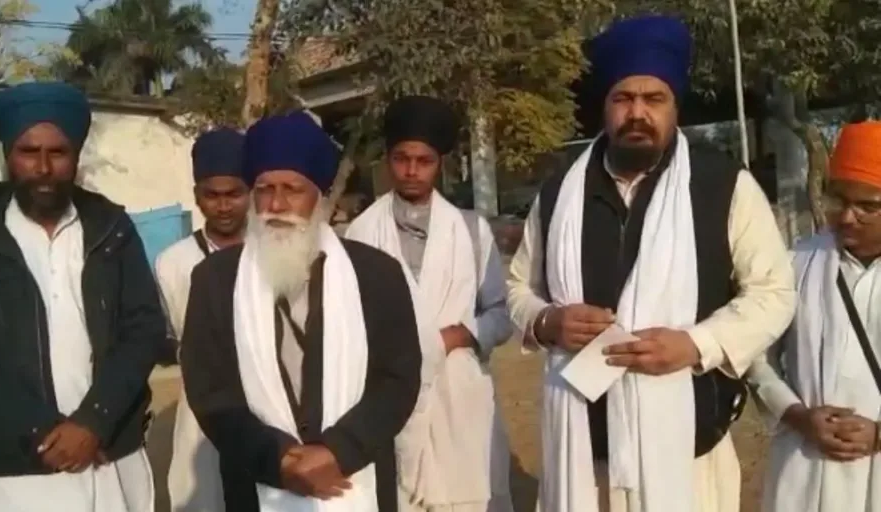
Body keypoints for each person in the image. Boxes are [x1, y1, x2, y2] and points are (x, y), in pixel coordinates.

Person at [505, 15, 797, 512]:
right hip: (583, 454)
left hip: (688, 457)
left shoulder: (723, 185)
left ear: (674, 105)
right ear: (605, 106)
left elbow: (773, 291)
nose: (637, 113)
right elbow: (518, 287)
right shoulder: (559, 194)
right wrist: (548, 320)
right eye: (623, 98)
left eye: (653, 99)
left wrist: (695, 344)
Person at [0, 82, 164, 511]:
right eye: (28, 151)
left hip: (109, 455)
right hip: (16, 469)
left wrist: (93, 422)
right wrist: (41, 431)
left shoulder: (112, 228)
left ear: (76, 155)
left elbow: (142, 329)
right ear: (8, 156)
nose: (42, 167)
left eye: (57, 152)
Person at [179, 111, 422, 511]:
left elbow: (397, 380)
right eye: (264, 189)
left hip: (353, 473)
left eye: (292, 189)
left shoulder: (376, 274)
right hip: (255, 480)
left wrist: (338, 451)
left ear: (319, 196)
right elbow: (210, 391)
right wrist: (278, 459)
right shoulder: (214, 279)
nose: (277, 204)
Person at [346, 95, 514, 512]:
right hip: (390, 395)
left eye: (424, 161)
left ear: (440, 164)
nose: (412, 171)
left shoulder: (471, 230)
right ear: (388, 160)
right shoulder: (361, 233)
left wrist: (461, 334)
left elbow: (500, 313)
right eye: (402, 159)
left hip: (459, 397)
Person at [748, 121, 881, 512]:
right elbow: (756, 357)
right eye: (838, 200)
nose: (847, 217)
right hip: (805, 469)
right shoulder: (794, 264)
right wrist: (797, 415)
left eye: (868, 207)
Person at [156, 127, 249, 512]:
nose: (223, 206)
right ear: (197, 196)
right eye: (212, 195)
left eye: (234, 194)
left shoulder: (275, 251)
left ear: (250, 191)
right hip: (203, 412)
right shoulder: (173, 263)